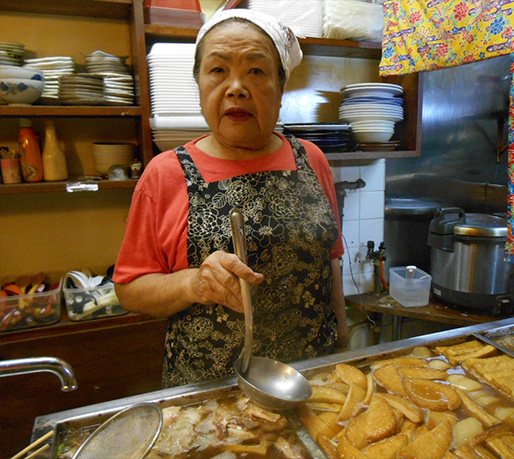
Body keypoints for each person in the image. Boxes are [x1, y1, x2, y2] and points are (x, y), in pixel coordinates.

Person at [113, 9, 349, 388]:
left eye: (256, 71)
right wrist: (193, 284)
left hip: (311, 376)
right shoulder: (165, 174)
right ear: (199, 82)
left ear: (281, 85)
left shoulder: (312, 160)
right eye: (218, 70)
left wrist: (343, 340)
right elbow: (129, 289)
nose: (236, 87)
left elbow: (331, 257)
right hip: (210, 389)